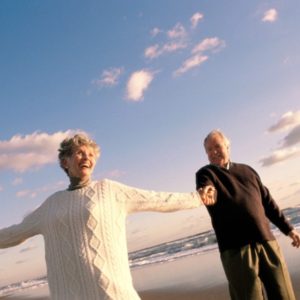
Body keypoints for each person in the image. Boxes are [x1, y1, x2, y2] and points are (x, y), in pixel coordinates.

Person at [0, 133, 215, 300]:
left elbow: (158, 199)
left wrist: (196, 198)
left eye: (91, 155)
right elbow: (13, 234)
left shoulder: (109, 191)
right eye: (80, 152)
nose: (87, 158)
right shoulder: (50, 205)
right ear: (65, 162)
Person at [195, 129, 300, 300]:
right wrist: (205, 192)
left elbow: (268, 203)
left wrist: (289, 230)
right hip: (236, 249)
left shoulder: (248, 171)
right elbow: (207, 189)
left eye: (217, 146)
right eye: (208, 150)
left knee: (284, 294)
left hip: (267, 241)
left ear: (227, 146)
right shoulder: (206, 174)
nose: (213, 152)